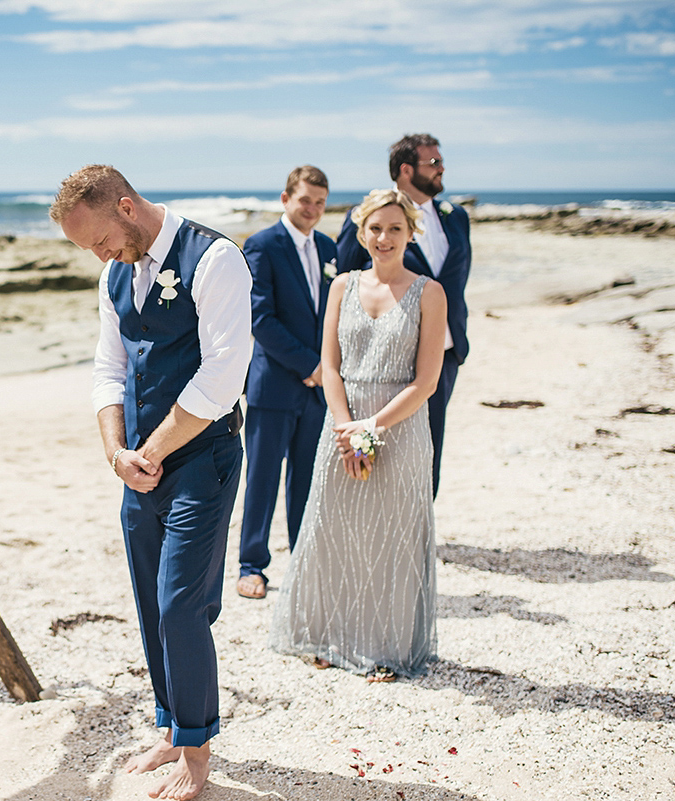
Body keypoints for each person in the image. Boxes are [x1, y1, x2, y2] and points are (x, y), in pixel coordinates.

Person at [49, 165, 251, 801]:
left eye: (100, 241)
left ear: (127, 208)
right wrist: (118, 454)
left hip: (202, 458)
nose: (99, 256)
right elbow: (108, 368)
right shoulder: (114, 274)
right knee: (147, 600)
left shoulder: (215, 258)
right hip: (138, 468)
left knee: (179, 605)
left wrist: (155, 449)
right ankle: (171, 725)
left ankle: (196, 756)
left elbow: (224, 375)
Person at [271, 188, 446, 680]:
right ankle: (327, 636)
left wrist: (371, 428)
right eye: (375, 228)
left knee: (391, 535)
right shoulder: (342, 286)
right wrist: (347, 428)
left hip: (399, 428)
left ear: (411, 233)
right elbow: (330, 366)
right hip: (341, 422)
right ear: (360, 231)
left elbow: (426, 381)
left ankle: (385, 649)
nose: (384, 237)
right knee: (334, 527)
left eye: (395, 228)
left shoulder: (429, 293)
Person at [335, 133, 470, 497]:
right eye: (434, 163)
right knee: (380, 444)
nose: (442, 169)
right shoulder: (366, 219)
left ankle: (421, 516)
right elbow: (347, 283)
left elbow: (454, 285)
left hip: (445, 350)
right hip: (388, 356)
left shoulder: (456, 217)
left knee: (429, 442)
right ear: (407, 169)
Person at [236, 165, 337, 600]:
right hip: (274, 384)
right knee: (261, 478)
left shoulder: (331, 248)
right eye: (305, 200)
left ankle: (304, 559)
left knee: (307, 479)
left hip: (318, 388)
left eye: (320, 202)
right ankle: (251, 565)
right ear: (285, 199)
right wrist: (310, 365)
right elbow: (260, 318)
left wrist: (327, 369)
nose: (312, 209)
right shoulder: (261, 245)